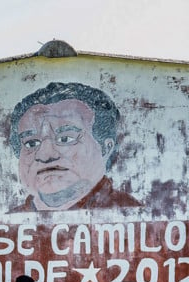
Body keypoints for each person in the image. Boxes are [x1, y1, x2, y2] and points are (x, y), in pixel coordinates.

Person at [8, 81, 142, 212]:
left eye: (65, 139)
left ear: (105, 148)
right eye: (31, 143)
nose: (45, 155)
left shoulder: (132, 212)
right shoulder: (6, 224)